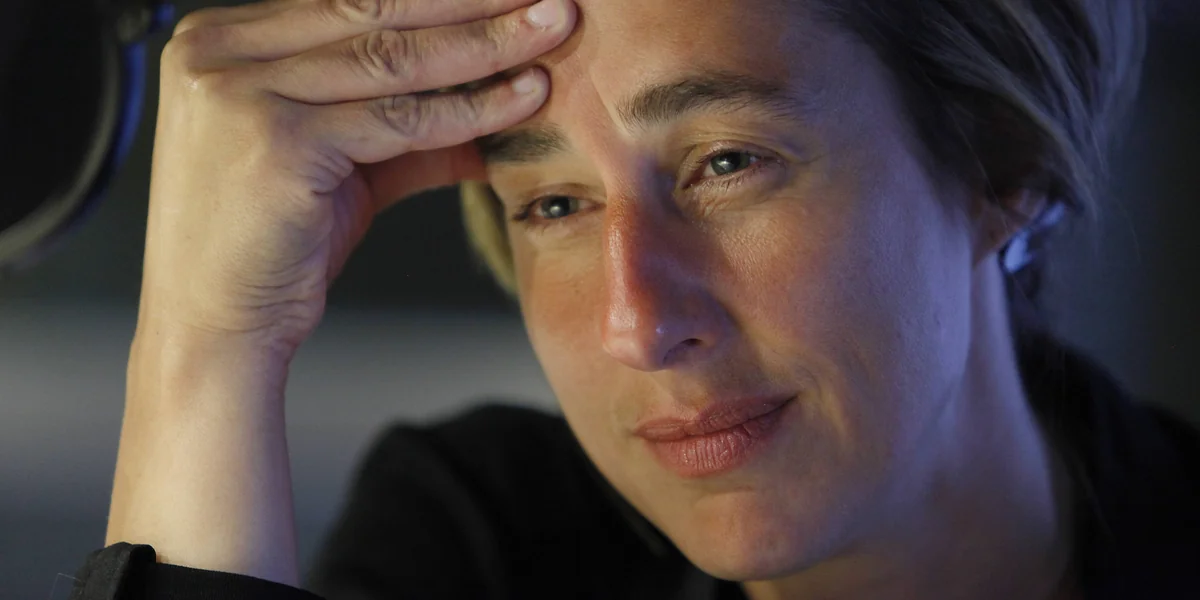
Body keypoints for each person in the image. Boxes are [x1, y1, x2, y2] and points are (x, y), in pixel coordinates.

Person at [68, 0, 1199, 598]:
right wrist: (208, 341)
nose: (637, 325)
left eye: (727, 163)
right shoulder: (485, 545)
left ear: (1000, 163)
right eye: (555, 203)